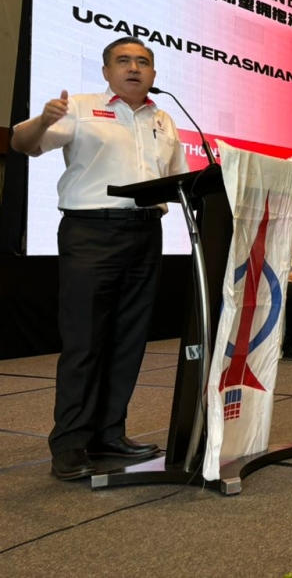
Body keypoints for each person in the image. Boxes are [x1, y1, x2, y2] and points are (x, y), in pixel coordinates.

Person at [9, 37, 188, 481]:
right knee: (85, 340)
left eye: (143, 62)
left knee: (128, 340)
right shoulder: (80, 107)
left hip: (146, 232)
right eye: (123, 61)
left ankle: (109, 434)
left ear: (154, 73)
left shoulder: (163, 119)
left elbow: (179, 180)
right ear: (107, 71)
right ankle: (70, 443)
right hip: (92, 233)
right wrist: (43, 120)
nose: (134, 68)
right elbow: (23, 144)